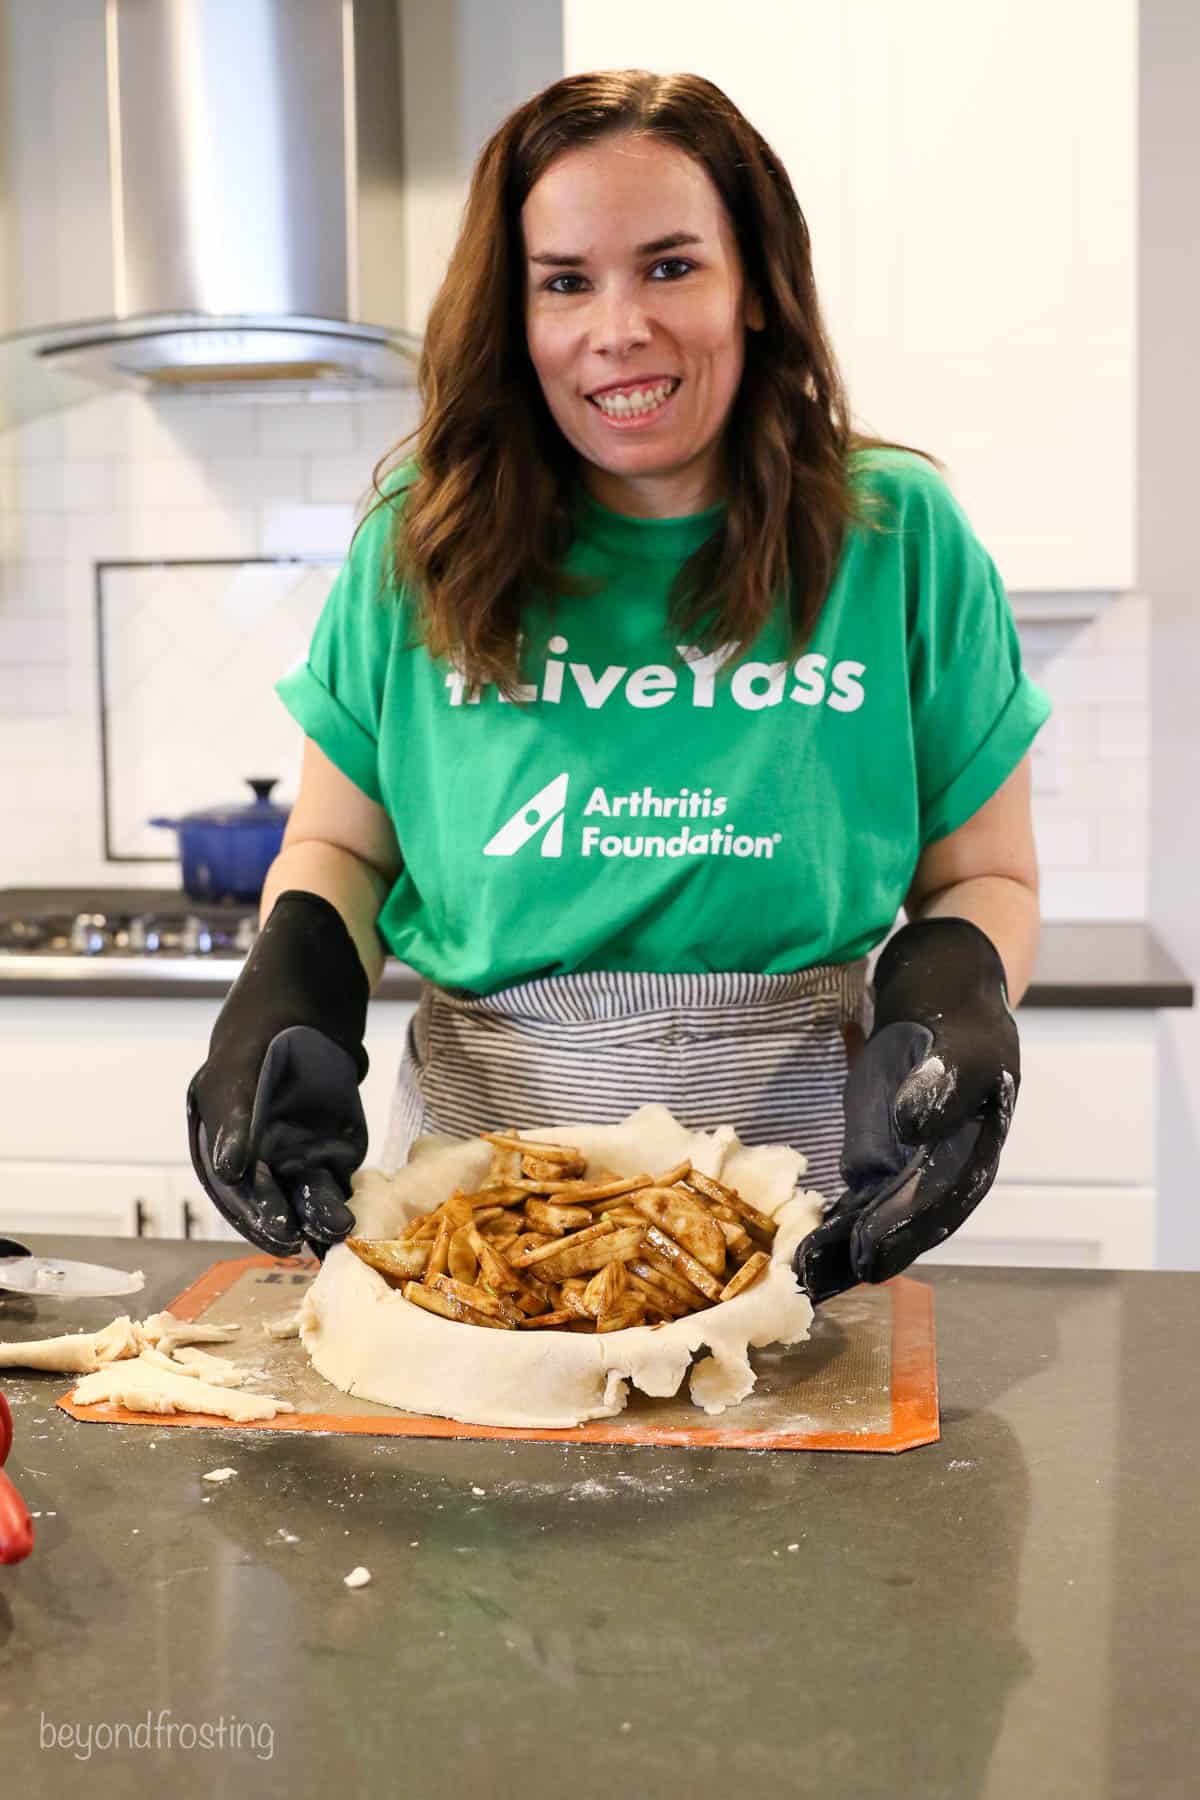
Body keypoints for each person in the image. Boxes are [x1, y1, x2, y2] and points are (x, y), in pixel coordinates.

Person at [186, 69, 1050, 1302]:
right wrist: (287, 996)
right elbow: (341, 847)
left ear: (755, 285)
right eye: (565, 282)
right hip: (475, 1212)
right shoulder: (416, 543)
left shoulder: (895, 537)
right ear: (515, 312)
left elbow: (984, 870)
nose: (617, 328)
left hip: (800, 1204)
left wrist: (958, 1001)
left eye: (670, 266)